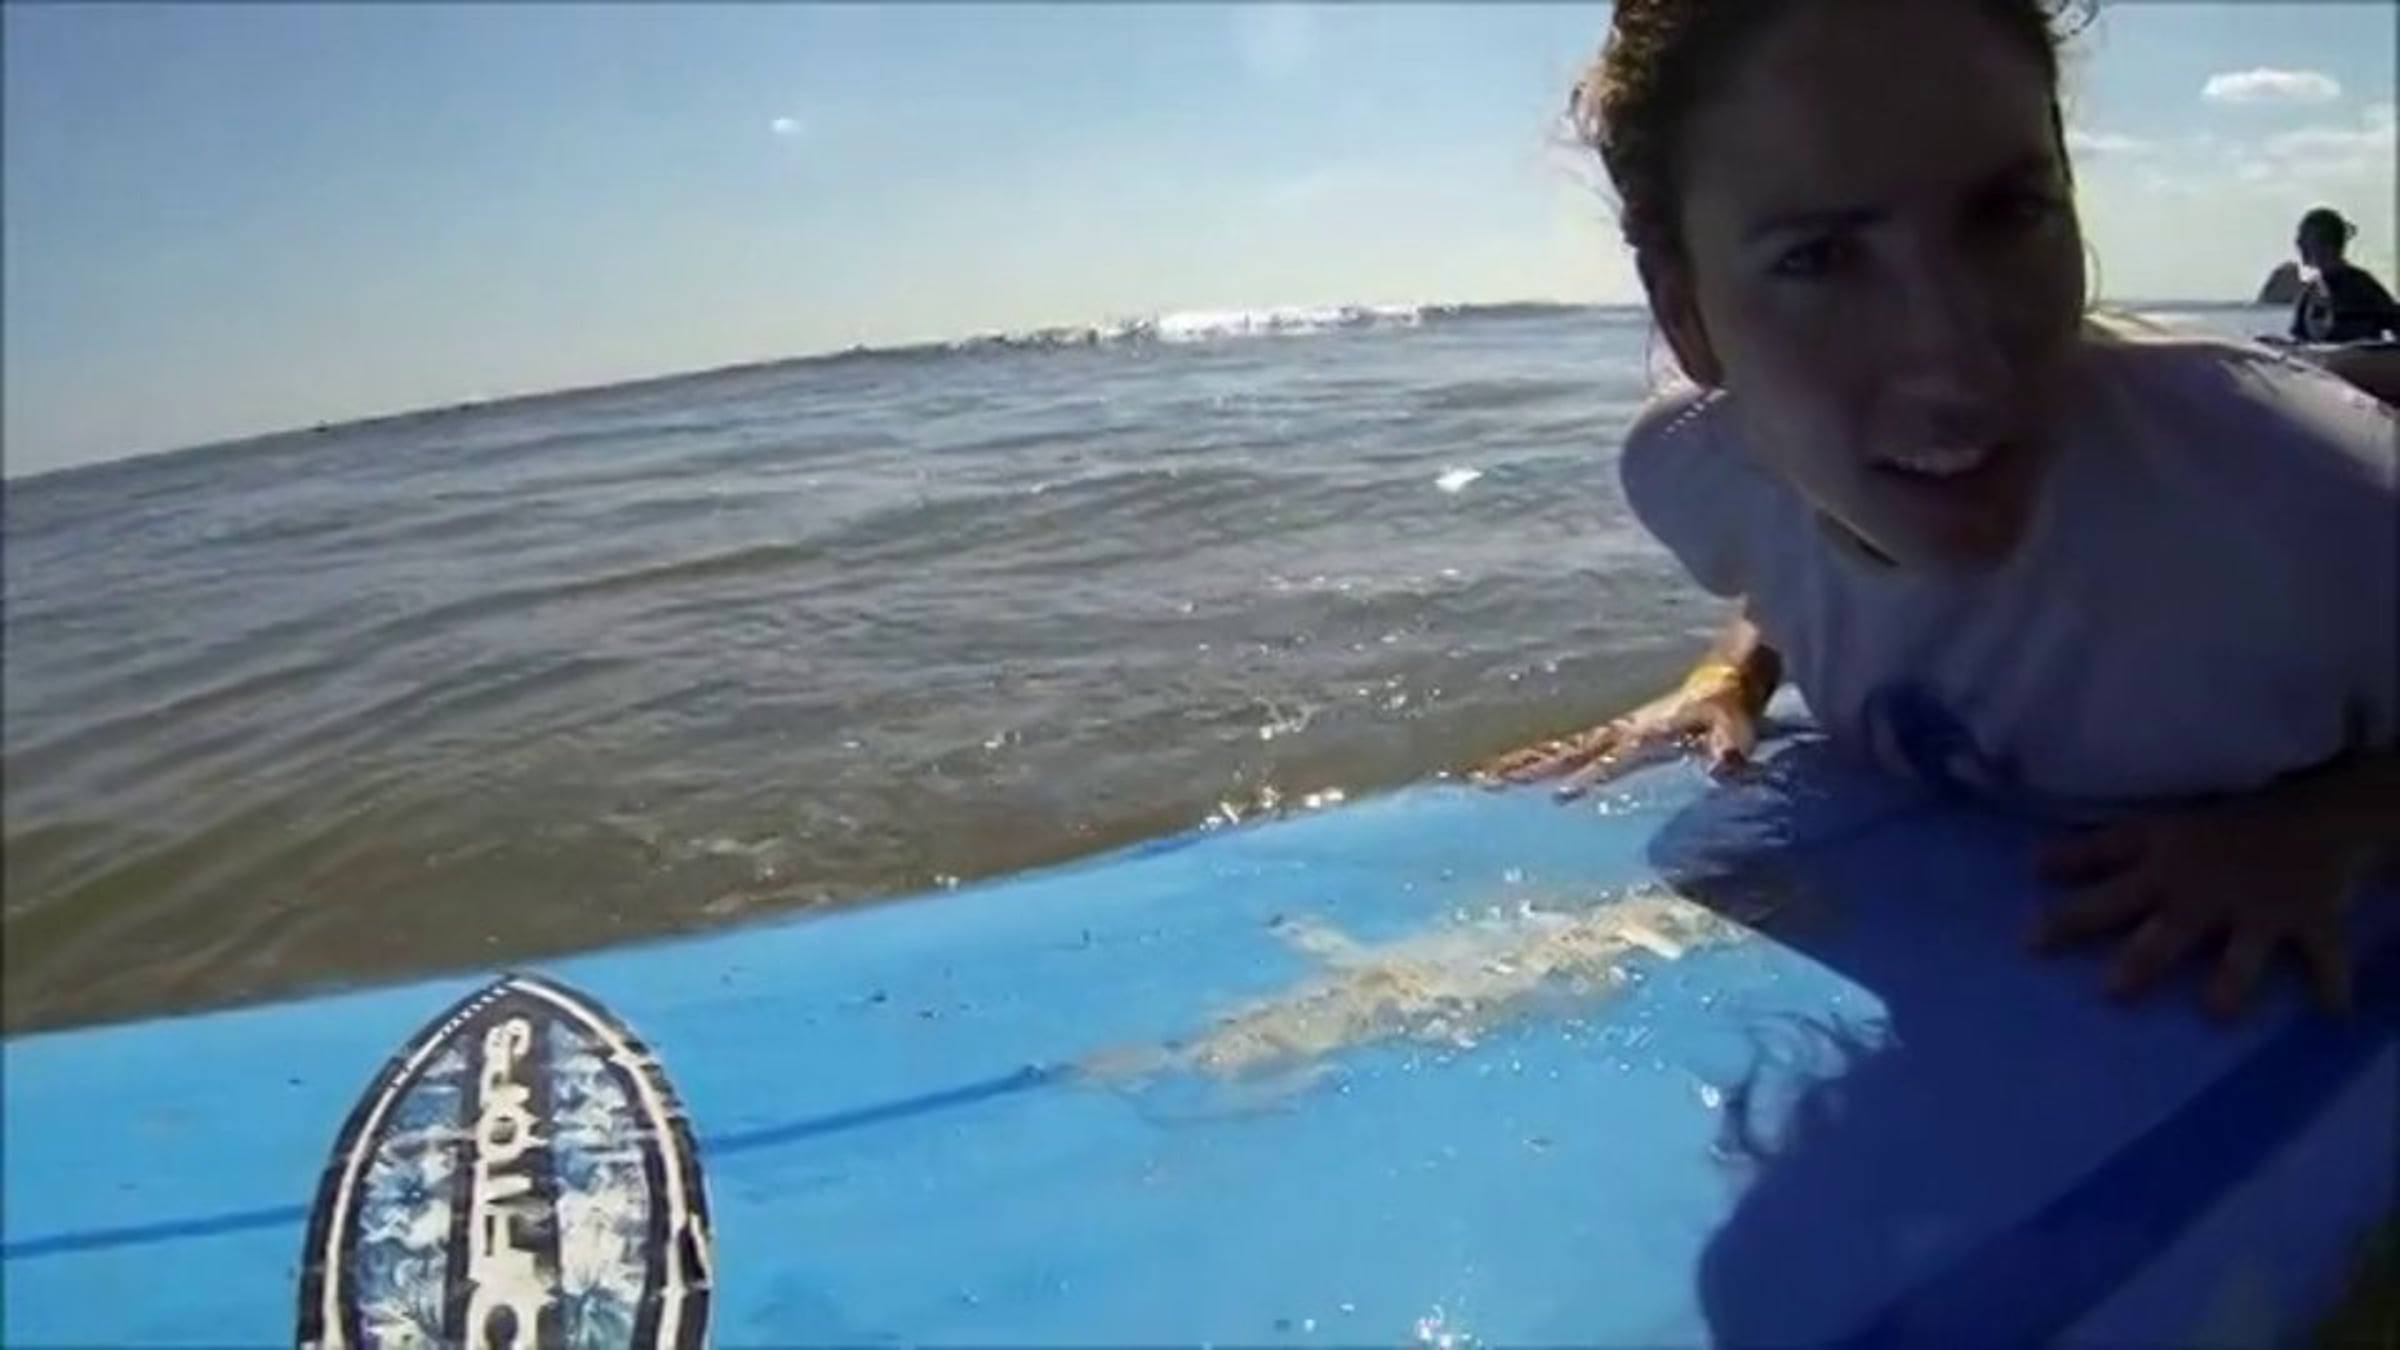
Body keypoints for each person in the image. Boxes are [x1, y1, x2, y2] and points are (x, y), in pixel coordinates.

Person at [1479, 0, 2398, 1019]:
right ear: (1686, 316)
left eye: (2008, 213)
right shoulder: (1692, 466)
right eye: (1818, 258)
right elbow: (1787, 555)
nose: (1956, 364)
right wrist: (1729, 674)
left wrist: (2327, 828)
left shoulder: (2300, 494)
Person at [2288, 206, 2400, 346]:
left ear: (2328, 245)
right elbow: (2299, 345)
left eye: (2305, 238)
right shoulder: (2309, 295)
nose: (2299, 244)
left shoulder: (2363, 288)